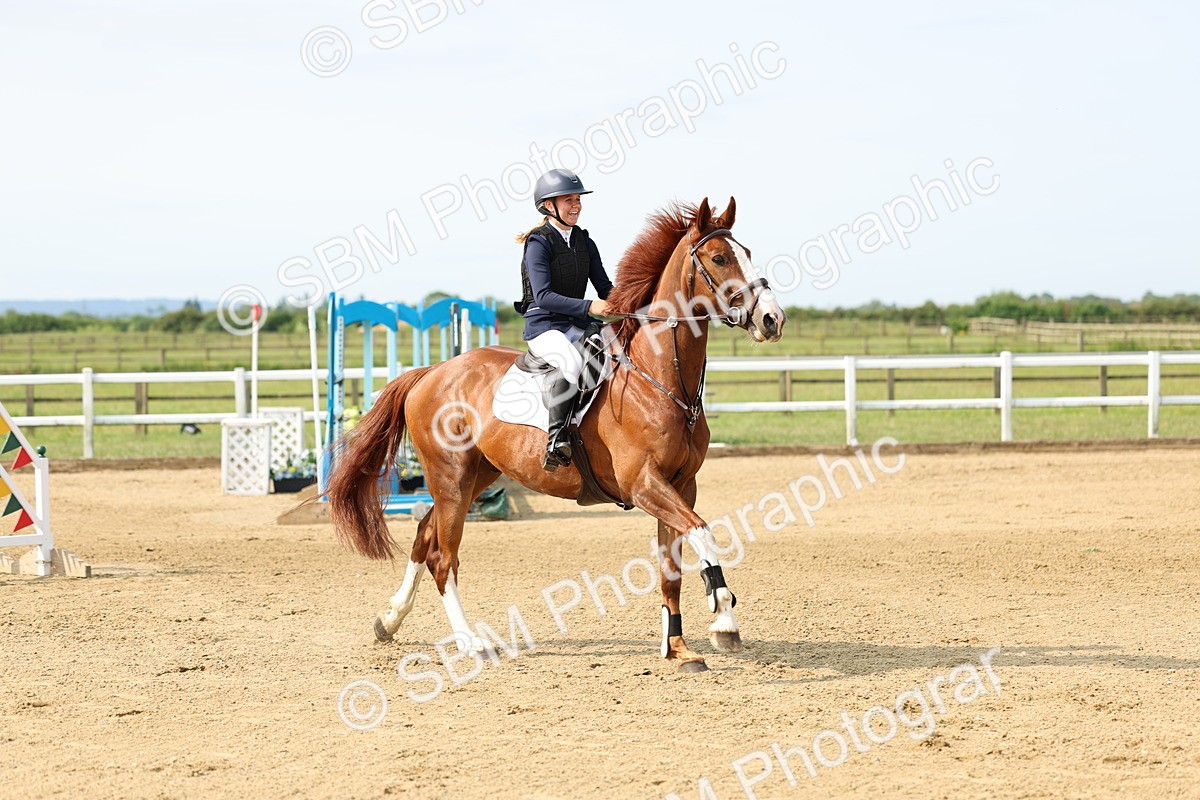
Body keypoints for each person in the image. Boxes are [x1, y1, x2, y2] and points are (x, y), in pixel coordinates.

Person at [514, 168, 614, 471]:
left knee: (619, 354)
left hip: (578, 324)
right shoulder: (538, 243)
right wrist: (590, 307)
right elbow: (542, 296)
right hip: (544, 325)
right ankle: (556, 442)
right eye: (568, 200)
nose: (576, 205)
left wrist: (635, 302)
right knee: (570, 363)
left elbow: (606, 288)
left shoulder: (584, 241)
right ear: (548, 206)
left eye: (578, 200)